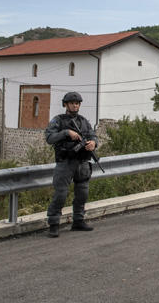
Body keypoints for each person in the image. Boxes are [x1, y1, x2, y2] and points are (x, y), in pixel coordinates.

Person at [45, 92, 98, 237]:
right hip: (66, 163)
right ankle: (54, 224)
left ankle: (78, 221)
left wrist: (93, 143)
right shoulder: (58, 121)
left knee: (82, 194)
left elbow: (93, 136)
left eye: (77, 103)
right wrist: (66, 133)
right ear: (65, 105)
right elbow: (49, 137)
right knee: (60, 194)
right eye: (72, 103)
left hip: (82, 163)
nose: (75, 105)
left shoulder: (84, 121)